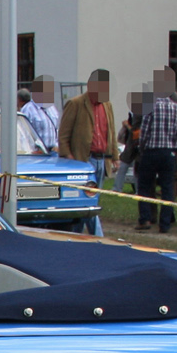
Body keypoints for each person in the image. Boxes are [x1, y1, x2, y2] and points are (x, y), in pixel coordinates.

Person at [59, 71, 116, 236]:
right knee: (88, 200)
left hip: (101, 160)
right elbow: (63, 135)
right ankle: (98, 237)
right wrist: (69, 158)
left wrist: (115, 156)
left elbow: (110, 131)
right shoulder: (75, 104)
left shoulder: (107, 105)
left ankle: (74, 235)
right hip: (83, 161)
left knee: (91, 201)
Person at [133, 74, 177, 234]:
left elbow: (144, 132)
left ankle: (145, 219)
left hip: (151, 151)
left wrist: (142, 149)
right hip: (169, 153)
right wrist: (176, 149)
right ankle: (165, 224)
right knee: (167, 188)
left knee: (144, 186)